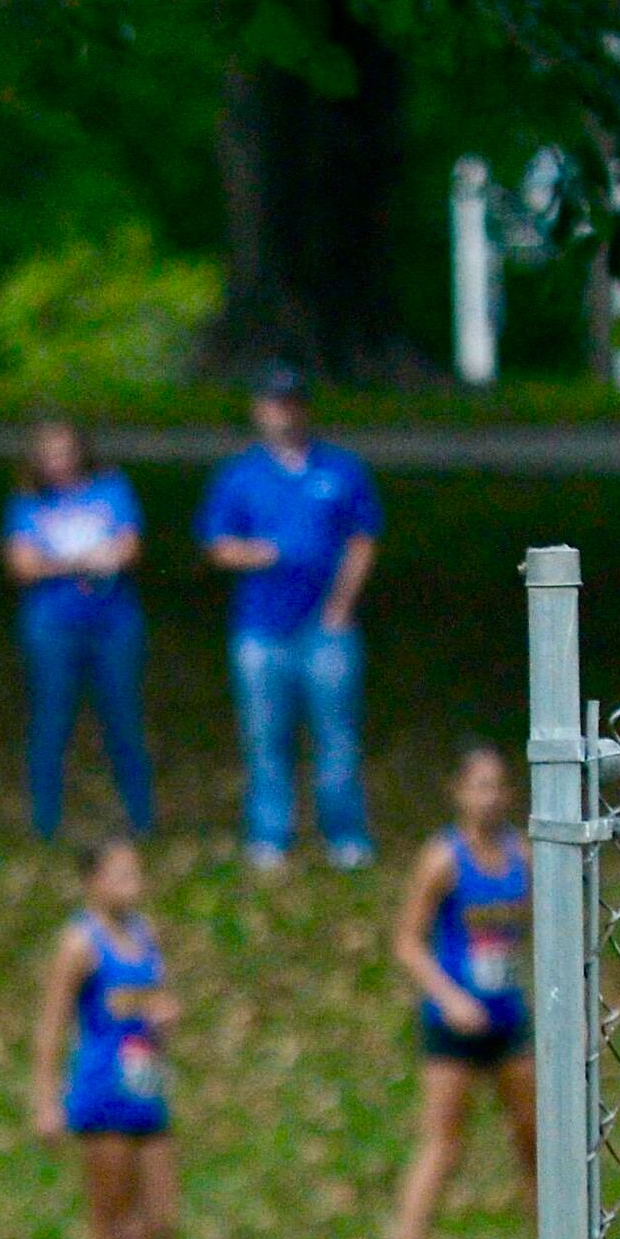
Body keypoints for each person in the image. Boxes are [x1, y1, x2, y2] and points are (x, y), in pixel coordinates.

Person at [366, 743, 537, 1239]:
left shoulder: (524, 856)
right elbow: (407, 940)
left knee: (534, 1139)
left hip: (508, 1016)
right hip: (453, 1024)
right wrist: (451, 996)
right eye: (478, 786)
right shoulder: (443, 858)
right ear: (459, 793)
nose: (490, 797)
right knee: (443, 1141)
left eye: (498, 786)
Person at [0, 839, 177, 1239]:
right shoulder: (80, 944)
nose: (132, 884)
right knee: (107, 1222)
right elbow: (52, 1026)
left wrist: (165, 1018)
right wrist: (45, 1099)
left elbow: (151, 1003)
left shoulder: (147, 936)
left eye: (136, 873)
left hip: (147, 1089)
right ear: (92, 882)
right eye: (120, 874)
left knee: (161, 1223)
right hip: (102, 1095)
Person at [200, 366, 384, 873]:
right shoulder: (238, 475)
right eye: (273, 403)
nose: (283, 413)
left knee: (337, 736)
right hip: (261, 628)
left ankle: (345, 835)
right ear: (259, 411)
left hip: (326, 627)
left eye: (292, 403)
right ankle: (269, 834)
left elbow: (363, 538)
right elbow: (216, 545)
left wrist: (342, 605)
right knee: (264, 737)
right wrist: (258, 554)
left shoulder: (341, 469)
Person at [0, 416, 155, 845]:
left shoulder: (110, 488)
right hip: (52, 625)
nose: (59, 461)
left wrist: (62, 563)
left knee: (123, 718)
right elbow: (21, 564)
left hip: (113, 623)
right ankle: (45, 823)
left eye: (66, 451)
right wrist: (81, 561)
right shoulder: (28, 502)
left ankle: (141, 820)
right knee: (51, 721)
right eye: (49, 453)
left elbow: (130, 546)